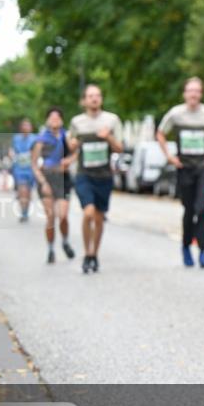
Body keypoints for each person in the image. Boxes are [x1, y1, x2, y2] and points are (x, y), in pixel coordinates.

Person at [156, 77, 204, 268]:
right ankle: (186, 246)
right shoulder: (176, 114)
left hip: (203, 166)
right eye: (190, 90)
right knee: (189, 209)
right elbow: (160, 133)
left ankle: (203, 251)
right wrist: (169, 156)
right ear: (185, 93)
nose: (193, 94)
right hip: (184, 167)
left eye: (197, 91)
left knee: (202, 208)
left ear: (201, 94)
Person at [68, 84, 124, 274]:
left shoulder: (111, 120)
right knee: (88, 213)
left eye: (98, 95)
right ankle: (86, 252)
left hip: (104, 176)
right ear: (84, 100)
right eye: (90, 96)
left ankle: (94, 254)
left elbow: (120, 148)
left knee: (99, 218)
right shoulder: (77, 122)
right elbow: (70, 145)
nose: (94, 99)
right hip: (84, 175)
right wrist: (72, 145)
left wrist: (108, 137)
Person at [33, 107, 76, 264]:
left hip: (63, 179)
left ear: (62, 120)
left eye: (57, 117)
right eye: (52, 118)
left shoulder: (68, 136)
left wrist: (69, 161)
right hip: (47, 179)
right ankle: (50, 249)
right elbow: (34, 164)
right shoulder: (41, 140)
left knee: (63, 216)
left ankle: (65, 241)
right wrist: (43, 182)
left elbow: (76, 151)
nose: (55, 120)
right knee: (51, 217)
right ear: (47, 120)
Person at [10, 119, 38, 221]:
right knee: (22, 190)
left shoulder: (35, 138)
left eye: (28, 125)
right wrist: (12, 155)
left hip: (31, 169)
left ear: (31, 128)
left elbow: (38, 151)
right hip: (19, 168)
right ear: (21, 128)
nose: (26, 127)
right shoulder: (16, 138)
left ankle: (26, 210)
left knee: (28, 192)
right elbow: (12, 150)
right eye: (24, 125)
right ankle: (23, 212)